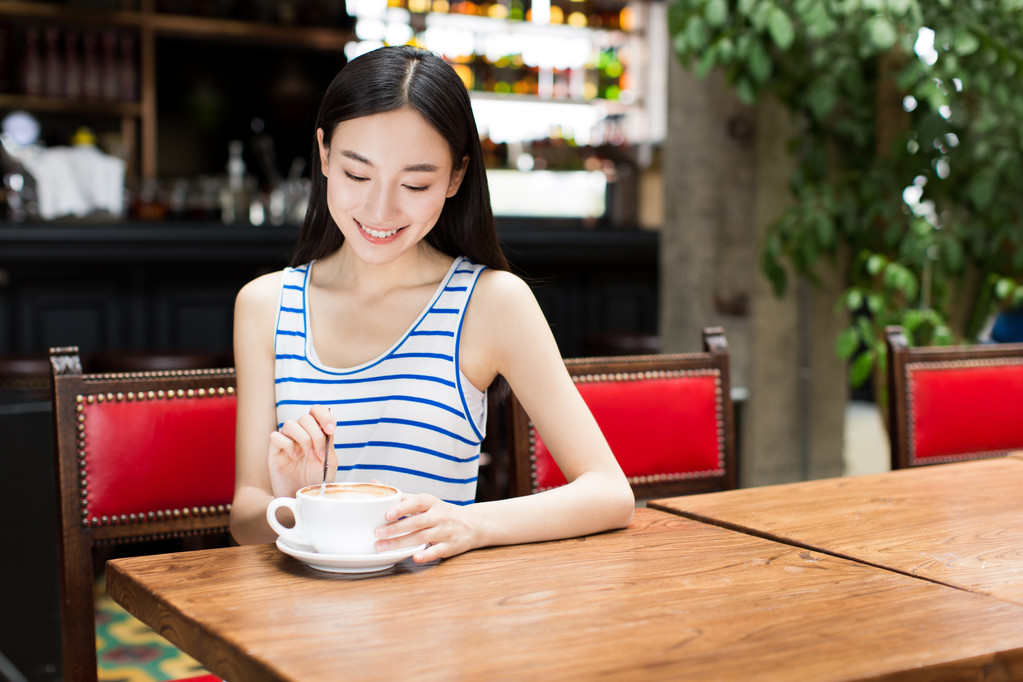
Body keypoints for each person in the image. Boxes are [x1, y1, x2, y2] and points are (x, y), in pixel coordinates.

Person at [229, 45, 634, 564]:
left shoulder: (491, 304)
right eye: (357, 175)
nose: (380, 210)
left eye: (415, 183)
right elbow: (245, 517)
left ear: (456, 177)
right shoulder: (266, 304)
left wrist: (473, 522)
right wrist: (297, 502)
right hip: (304, 623)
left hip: (438, 623)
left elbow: (609, 492)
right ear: (325, 154)